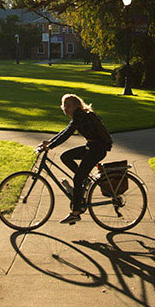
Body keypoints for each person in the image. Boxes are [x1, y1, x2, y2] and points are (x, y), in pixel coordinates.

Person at [37, 93, 113, 224]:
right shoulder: (79, 115)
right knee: (66, 156)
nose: (65, 108)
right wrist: (50, 142)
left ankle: (75, 213)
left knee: (78, 178)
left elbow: (67, 133)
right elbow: (66, 130)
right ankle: (85, 180)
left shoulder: (80, 115)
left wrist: (51, 146)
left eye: (68, 105)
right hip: (93, 146)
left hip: (97, 149)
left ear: (76, 105)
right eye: (63, 105)